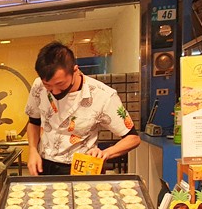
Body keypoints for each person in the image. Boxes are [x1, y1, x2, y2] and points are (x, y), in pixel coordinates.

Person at [25, 41, 141, 176]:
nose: (54, 91)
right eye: (48, 86)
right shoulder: (38, 86)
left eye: (60, 84)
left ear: (75, 70)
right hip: (44, 164)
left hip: (83, 167)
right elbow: (33, 122)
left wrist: (105, 153)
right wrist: (32, 150)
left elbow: (133, 138)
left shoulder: (103, 95)